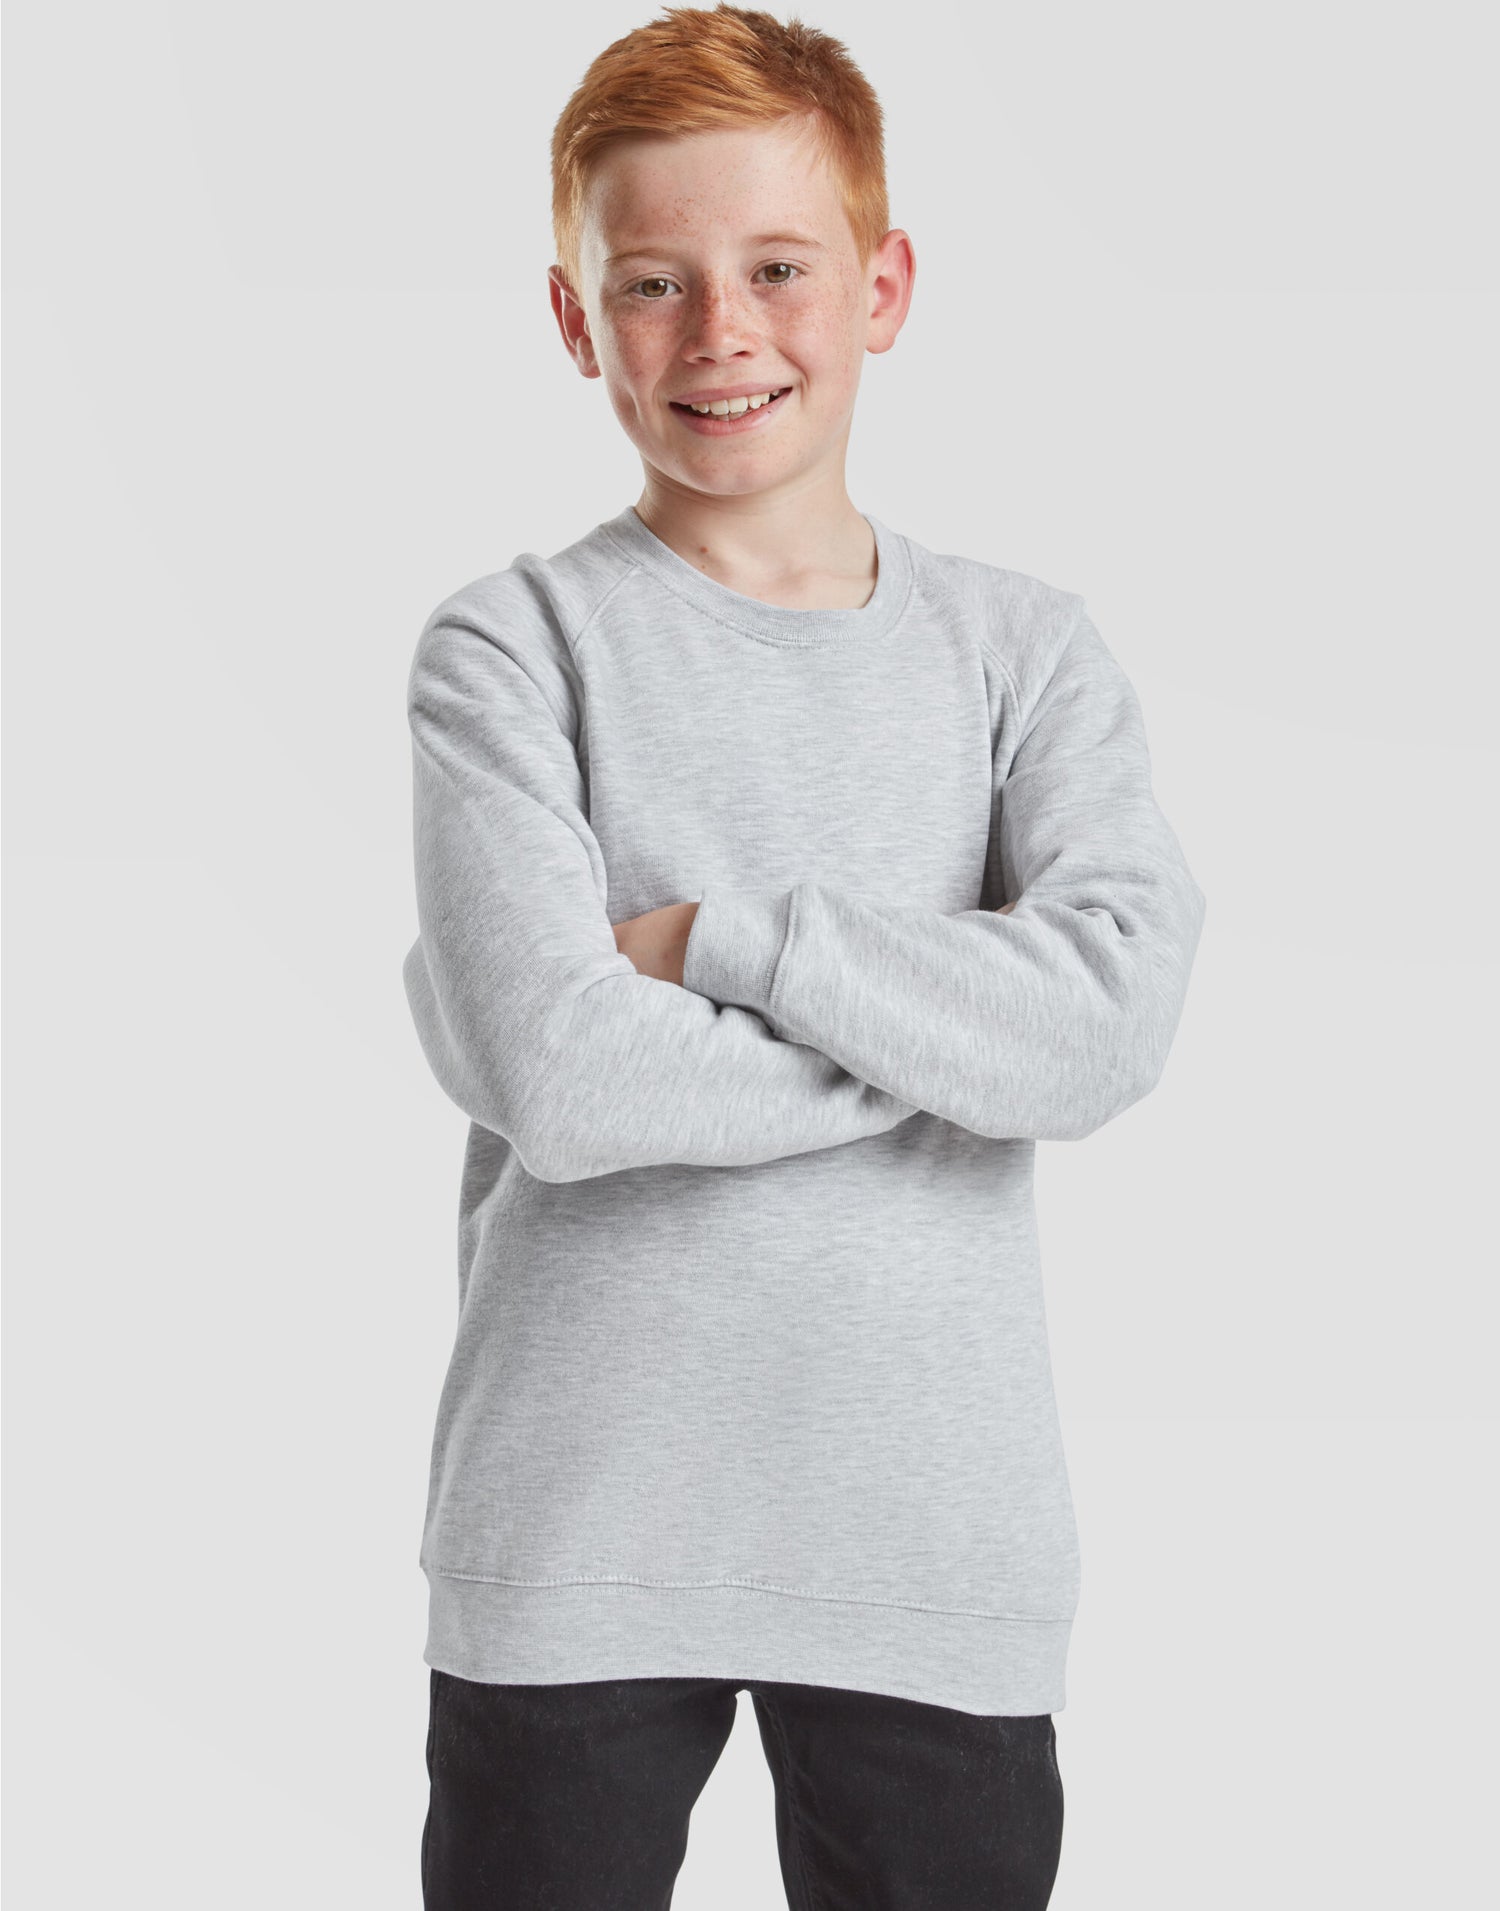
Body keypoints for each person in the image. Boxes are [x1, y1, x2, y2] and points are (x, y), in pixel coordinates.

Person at [402, 5, 1207, 1904]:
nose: (721, 331)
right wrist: (950, 1046)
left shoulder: (1024, 653)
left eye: (778, 268)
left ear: (882, 286)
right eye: (653, 282)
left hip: (931, 1545)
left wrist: (717, 941)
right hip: (579, 1527)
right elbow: (567, 1079)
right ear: (576, 318)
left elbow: (1106, 1029)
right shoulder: (511, 647)